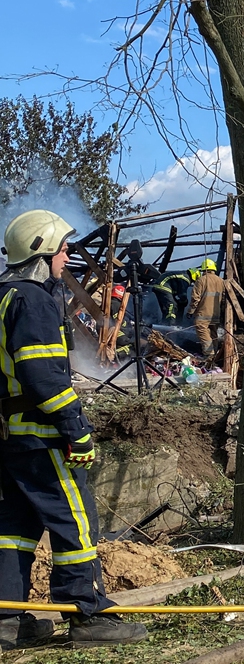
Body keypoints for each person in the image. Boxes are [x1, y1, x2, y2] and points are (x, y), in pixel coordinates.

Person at [0, 209, 147, 648]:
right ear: (42, 252)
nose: (67, 255)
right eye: (62, 248)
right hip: (43, 435)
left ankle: (6, 620)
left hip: (10, 436)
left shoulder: (4, 297)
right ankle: (86, 616)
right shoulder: (33, 300)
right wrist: (76, 430)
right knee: (76, 526)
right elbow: (44, 376)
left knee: (14, 528)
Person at [186, 258, 224, 358]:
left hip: (203, 312)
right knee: (213, 332)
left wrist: (190, 311)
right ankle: (215, 353)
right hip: (216, 313)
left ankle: (209, 353)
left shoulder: (201, 280)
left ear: (204, 269)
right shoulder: (221, 281)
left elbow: (195, 298)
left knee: (201, 329)